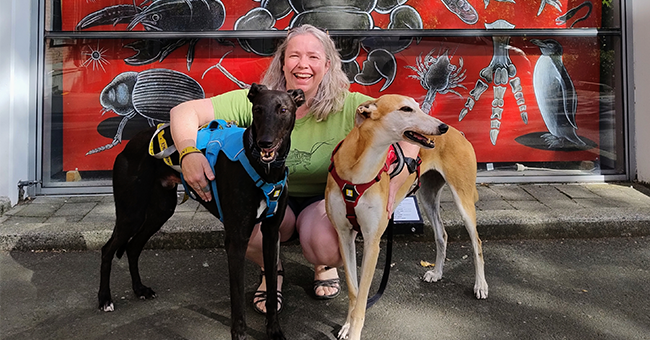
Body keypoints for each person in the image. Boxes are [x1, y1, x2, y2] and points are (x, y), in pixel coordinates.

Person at [170, 24, 419, 314]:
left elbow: (410, 124)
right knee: (249, 229)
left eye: (313, 57)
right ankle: (270, 268)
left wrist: (398, 182)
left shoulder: (350, 105)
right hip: (272, 197)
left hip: (322, 200)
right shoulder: (262, 101)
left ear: (327, 65)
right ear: (282, 62)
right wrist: (188, 152)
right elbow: (183, 112)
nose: (303, 65)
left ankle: (323, 264)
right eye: (294, 56)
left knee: (325, 244)